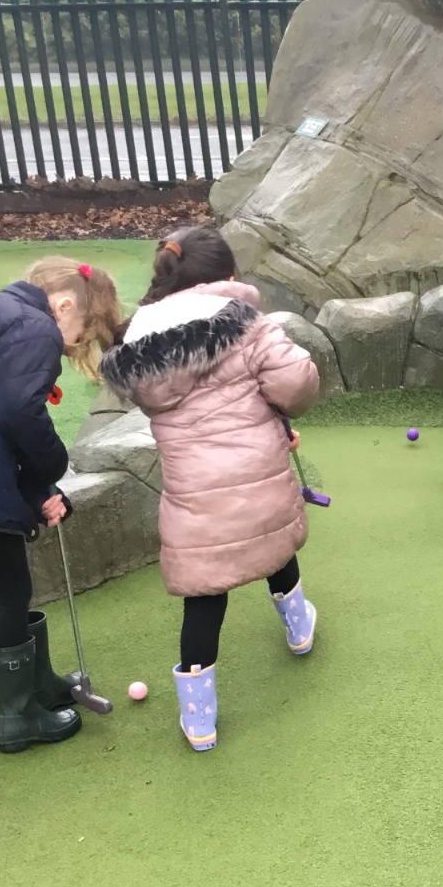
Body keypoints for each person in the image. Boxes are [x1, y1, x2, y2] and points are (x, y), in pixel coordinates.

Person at [101, 226, 319, 752]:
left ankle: (199, 719)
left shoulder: (138, 343)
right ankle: (298, 628)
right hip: (256, 474)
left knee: (204, 596)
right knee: (273, 543)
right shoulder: (246, 322)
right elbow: (296, 383)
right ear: (226, 274)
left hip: (194, 494)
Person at [0, 257, 121, 753]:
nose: (76, 343)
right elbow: (15, 409)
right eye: (81, 330)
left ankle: (39, 688)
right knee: (8, 588)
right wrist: (52, 467)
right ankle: (15, 719)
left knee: (11, 586)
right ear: (64, 305)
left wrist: (38, 491)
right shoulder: (36, 326)